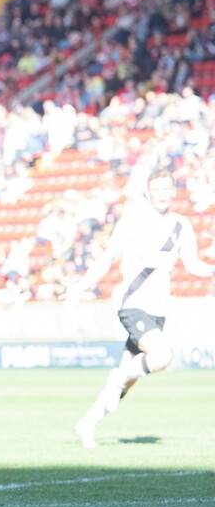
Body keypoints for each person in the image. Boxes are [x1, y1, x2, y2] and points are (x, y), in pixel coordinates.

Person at [66, 170, 215, 448]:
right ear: (148, 193)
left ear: (173, 191)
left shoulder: (181, 225)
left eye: (166, 188)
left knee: (125, 381)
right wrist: (80, 286)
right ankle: (116, 377)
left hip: (158, 311)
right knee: (162, 356)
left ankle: (87, 423)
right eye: (156, 189)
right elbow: (107, 258)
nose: (161, 193)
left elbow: (192, 264)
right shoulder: (133, 221)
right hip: (132, 304)